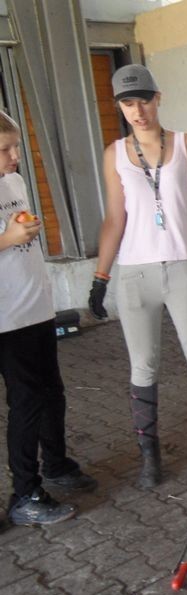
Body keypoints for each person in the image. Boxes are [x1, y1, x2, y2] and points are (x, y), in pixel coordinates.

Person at [88, 64, 187, 488]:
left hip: (183, 267)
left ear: (159, 98)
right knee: (144, 366)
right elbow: (115, 217)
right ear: (120, 106)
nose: (137, 110)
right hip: (135, 274)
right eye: (127, 102)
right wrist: (101, 276)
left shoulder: (186, 145)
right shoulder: (114, 153)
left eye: (143, 99)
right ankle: (149, 458)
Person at [0, 110, 97, 527]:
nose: (15, 156)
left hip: (36, 307)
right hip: (7, 319)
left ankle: (56, 464)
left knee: (52, 393)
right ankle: (25, 493)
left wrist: (25, 230)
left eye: (16, 146)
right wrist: (9, 237)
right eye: (5, 149)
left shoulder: (14, 182)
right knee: (25, 403)